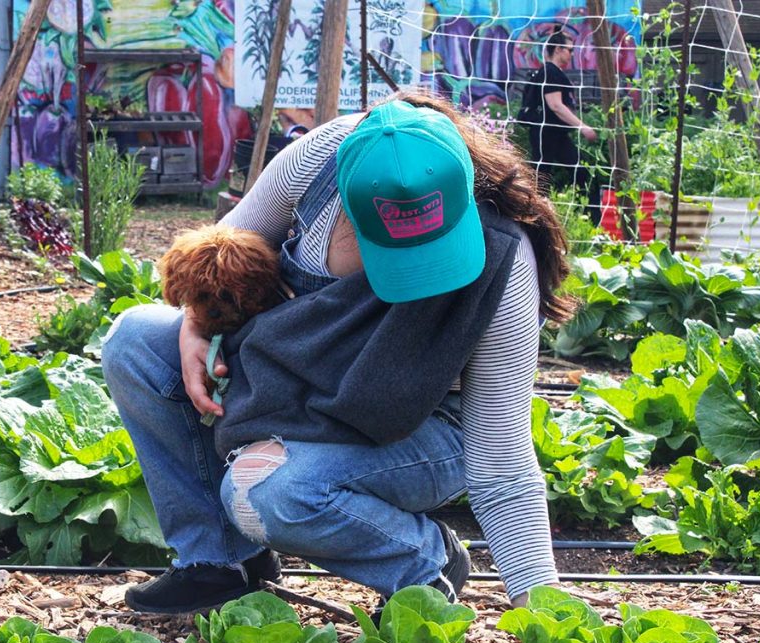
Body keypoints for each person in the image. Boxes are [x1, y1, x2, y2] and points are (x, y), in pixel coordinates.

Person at [101, 90, 574, 616]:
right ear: (350, 202)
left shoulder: (503, 260)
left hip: (419, 425)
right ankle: (219, 561)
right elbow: (226, 249)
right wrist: (194, 329)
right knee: (137, 341)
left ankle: (425, 562)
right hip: (301, 383)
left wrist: (542, 606)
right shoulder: (319, 159)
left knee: (264, 493)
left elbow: (501, 457)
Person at [522, 30, 601, 222]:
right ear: (558, 49)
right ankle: (536, 220)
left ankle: (590, 219)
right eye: (570, 50)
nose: (572, 54)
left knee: (577, 172)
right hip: (546, 134)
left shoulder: (551, 72)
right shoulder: (550, 72)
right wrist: (583, 127)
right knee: (542, 179)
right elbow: (556, 105)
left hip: (553, 134)